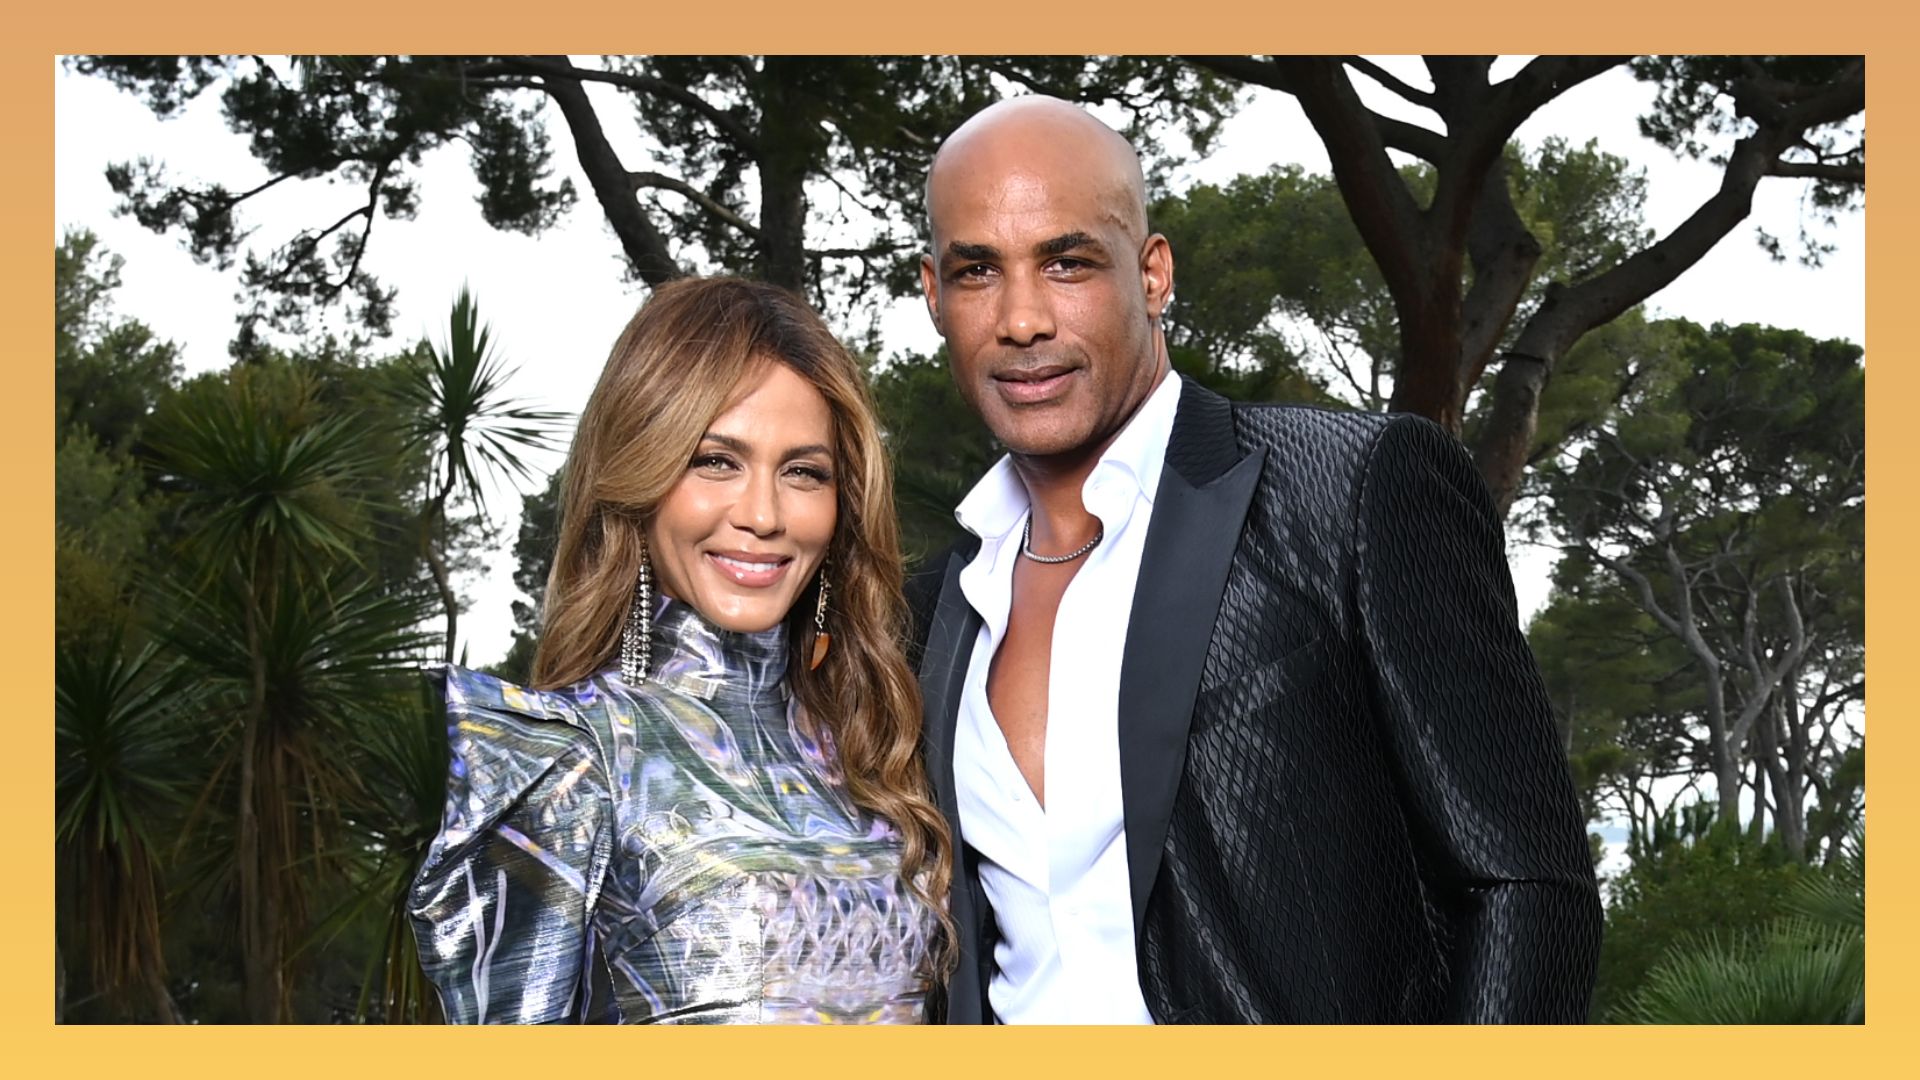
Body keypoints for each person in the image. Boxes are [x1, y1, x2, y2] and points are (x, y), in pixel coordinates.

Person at [908, 96, 1602, 1024]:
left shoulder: (1348, 489)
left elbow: (1529, 884)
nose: (1023, 319)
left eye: (1067, 262)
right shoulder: (933, 606)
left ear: (1152, 275)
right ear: (934, 295)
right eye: (978, 272)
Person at [410, 277, 954, 1024]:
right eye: (714, 461)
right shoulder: (565, 762)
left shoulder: (881, 752)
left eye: (802, 472)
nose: (763, 515)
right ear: (640, 474)